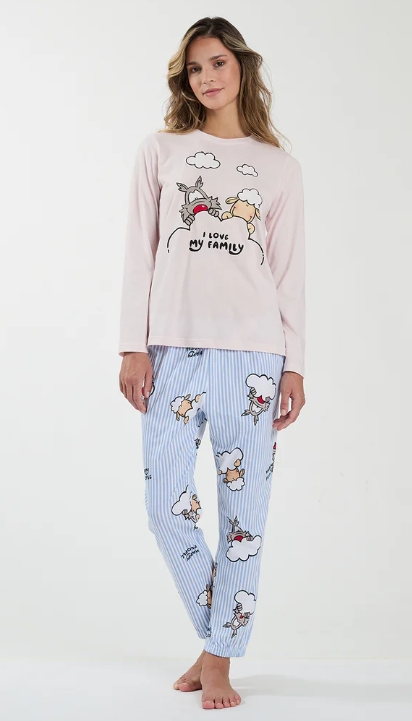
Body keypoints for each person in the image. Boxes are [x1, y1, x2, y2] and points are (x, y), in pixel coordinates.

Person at [118, 15, 306, 711]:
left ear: (241, 68)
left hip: (254, 355)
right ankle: (217, 635)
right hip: (172, 350)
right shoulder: (161, 151)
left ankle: (218, 658)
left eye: (218, 62)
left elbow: (289, 274)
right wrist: (132, 344)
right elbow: (138, 253)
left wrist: (295, 364)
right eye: (195, 68)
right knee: (164, 507)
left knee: (243, 518)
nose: (207, 77)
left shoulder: (279, 168)